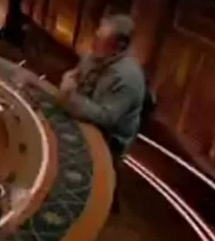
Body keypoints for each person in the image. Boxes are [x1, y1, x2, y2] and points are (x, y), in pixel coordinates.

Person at [55, 14, 147, 160]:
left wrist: (69, 96)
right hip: (82, 122)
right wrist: (69, 81)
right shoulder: (92, 57)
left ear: (119, 46)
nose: (93, 43)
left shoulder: (129, 78)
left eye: (100, 40)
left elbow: (105, 117)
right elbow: (77, 80)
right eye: (96, 36)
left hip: (108, 144)